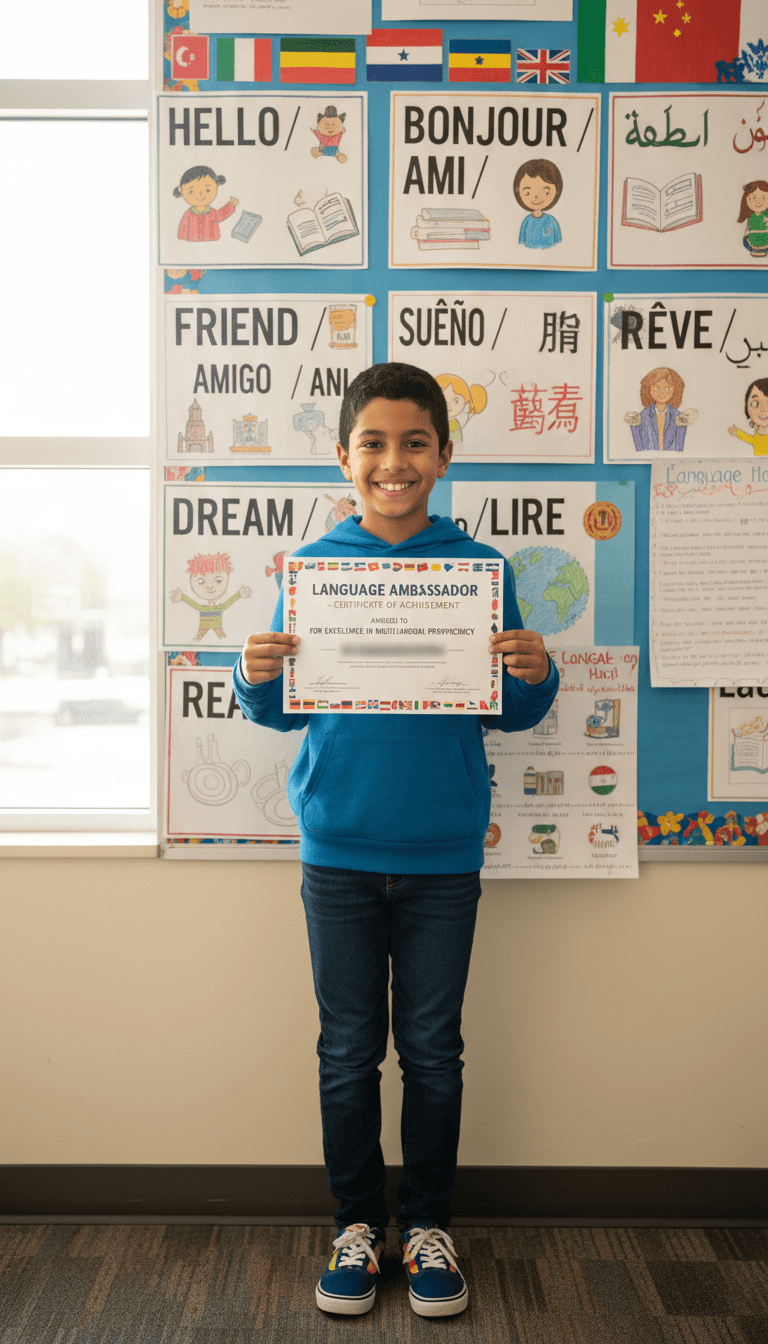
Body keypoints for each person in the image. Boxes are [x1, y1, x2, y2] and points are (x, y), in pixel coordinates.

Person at [232, 363, 558, 1320]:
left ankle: (426, 1228)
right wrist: (254, 673)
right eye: (373, 443)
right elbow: (282, 711)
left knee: (432, 1053)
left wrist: (535, 673)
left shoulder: (480, 570)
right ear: (344, 457)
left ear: (444, 456)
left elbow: (507, 710)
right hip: (337, 848)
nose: (394, 461)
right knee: (345, 1053)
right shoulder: (312, 570)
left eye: (415, 442)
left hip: (443, 853)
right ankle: (355, 1226)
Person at [624, 366, 698, 452]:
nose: (662, 392)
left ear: (676, 390)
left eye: (668, 388)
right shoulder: (642, 416)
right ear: (648, 389)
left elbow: (679, 448)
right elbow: (639, 448)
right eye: (656, 387)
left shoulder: (679, 417)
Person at [174, 165, 238, 242]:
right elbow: (183, 228)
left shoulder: (211, 212)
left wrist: (231, 205)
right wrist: (181, 242)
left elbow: (221, 215)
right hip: (193, 243)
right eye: (191, 192)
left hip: (213, 243)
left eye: (207, 190)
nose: (200, 194)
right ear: (182, 191)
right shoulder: (188, 214)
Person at [514, 158, 563, 250]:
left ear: (556, 190)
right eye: (527, 193)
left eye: (546, 193)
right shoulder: (527, 221)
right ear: (518, 191)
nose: (536, 197)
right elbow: (521, 242)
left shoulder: (552, 221)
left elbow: (559, 243)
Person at [728, 377, 768, 454]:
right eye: (754, 404)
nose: (763, 409)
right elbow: (753, 441)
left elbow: (753, 441)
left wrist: (738, 432)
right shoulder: (757, 430)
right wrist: (738, 432)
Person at [737, 180, 768, 258]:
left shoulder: (766, 214)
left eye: (763, 197)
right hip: (752, 239)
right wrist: (746, 233)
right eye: (754, 197)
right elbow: (748, 227)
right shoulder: (750, 215)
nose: (758, 201)